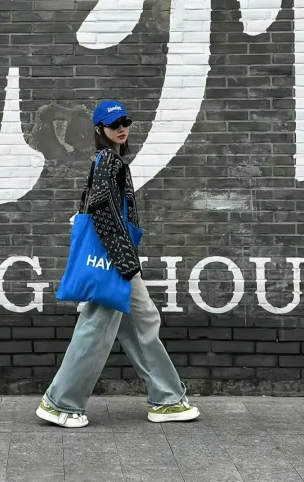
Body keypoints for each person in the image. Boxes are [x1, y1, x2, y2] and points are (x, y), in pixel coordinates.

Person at [36, 99, 200, 428]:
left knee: (142, 321)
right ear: (101, 130)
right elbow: (103, 213)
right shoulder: (108, 162)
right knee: (96, 329)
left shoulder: (111, 161)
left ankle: (167, 398)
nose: (122, 128)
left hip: (117, 256)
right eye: (114, 125)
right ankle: (60, 403)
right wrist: (124, 260)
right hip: (114, 258)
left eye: (125, 122)